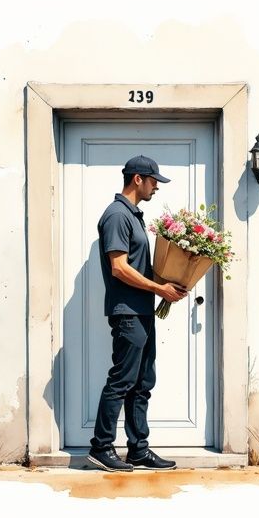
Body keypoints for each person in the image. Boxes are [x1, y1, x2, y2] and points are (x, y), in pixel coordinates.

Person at [87, 155, 189, 472]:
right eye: (154, 180)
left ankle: (138, 450)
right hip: (128, 312)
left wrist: (172, 279)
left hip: (142, 311)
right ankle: (101, 448)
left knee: (142, 382)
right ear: (137, 179)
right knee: (122, 380)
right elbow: (119, 268)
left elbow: (138, 265)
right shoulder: (117, 215)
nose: (156, 186)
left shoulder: (134, 215)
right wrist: (160, 290)